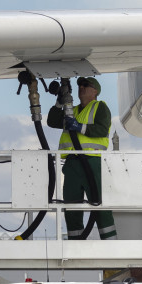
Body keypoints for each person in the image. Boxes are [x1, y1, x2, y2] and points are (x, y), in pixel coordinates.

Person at [46, 76, 116, 240]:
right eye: (80, 85)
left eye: (86, 85)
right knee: (71, 206)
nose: (81, 87)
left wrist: (79, 127)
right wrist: (59, 103)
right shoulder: (72, 110)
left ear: (95, 91)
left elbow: (101, 129)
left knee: (99, 204)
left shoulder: (100, 107)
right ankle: (75, 243)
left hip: (92, 161)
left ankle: (110, 244)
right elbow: (52, 121)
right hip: (72, 163)